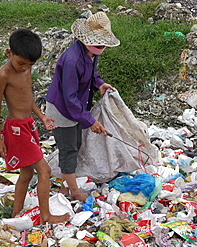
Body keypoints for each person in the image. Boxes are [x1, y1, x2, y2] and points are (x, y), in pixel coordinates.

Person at [0, 29, 70, 224]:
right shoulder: (4, 74)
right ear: (9, 53)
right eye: (21, 63)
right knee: (44, 171)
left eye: (30, 64)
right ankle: (46, 216)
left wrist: (41, 116)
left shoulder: (26, 69)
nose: (24, 68)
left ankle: (15, 214)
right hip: (16, 129)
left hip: (28, 124)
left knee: (27, 172)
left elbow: (27, 97)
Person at [45, 11, 120, 201]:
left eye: (103, 44)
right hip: (62, 110)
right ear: (87, 40)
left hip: (76, 108)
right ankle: (74, 191)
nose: (101, 47)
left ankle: (64, 187)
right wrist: (90, 121)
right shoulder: (72, 60)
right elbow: (69, 98)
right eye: (98, 44)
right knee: (68, 148)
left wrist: (99, 84)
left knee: (76, 144)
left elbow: (92, 74)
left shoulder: (90, 53)